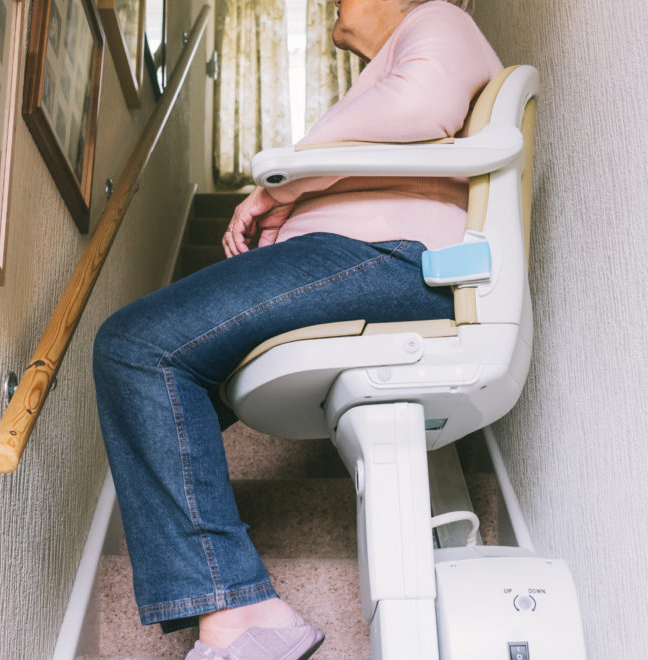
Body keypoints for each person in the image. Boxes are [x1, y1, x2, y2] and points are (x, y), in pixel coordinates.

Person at [92, 0, 501, 657]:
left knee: (139, 346)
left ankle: (238, 612)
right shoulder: (378, 72)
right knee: (152, 366)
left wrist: (281, 184)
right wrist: (291, 206)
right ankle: (233, 608)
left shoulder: (437, 18)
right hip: (366, 256)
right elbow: (381, 142)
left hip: (396, 259)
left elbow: (419, 106)